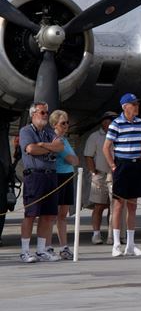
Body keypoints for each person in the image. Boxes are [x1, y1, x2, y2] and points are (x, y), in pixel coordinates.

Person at [103, 93, 141, 257]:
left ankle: (131, 244)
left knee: (133, 205)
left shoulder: (140, 123)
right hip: (122, 164)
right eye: (133, 104)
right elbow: (106, 147)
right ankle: (116, 244)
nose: (136, 106)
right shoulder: (116, 124)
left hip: (136, 165)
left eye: (137, 104)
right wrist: (113, 165)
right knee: (118, 205)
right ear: (125, 107)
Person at [18, 101, 64, 263]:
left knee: (48, 215)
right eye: (42, 112)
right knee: (31, 214)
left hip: (50, 175)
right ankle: (24, 251)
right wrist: (49, 147)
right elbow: (30, 149)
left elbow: (60, 146)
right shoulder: (26, 131)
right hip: (35, 176)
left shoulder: (49, 132)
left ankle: (41, 250)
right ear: (33, 114)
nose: (45, 115)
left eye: (46, 112)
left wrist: (44, 145)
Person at [84, 111, 116, 245]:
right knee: (99, 206)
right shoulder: (95, 136)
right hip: (101, 174)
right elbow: (88, 155)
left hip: (115, 173)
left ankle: (112, 233)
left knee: (114, 206)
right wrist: (93, 172)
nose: (113, 122)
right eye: (110, 120)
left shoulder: (118, 134)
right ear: (104, 122)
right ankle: (96, 234)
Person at [50, 110, 79, 259]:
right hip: (58, 177)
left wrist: (73, 159)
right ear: (55, 124)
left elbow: (75, 160)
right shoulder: (56, 140)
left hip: (68, 176)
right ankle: (47, 246)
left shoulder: (65, 140)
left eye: (67, 122)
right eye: (63, 123)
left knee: (63, 215)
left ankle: (64, 247)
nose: (66, 125)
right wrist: (73, 159)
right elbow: (71, 159)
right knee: (52, 214)